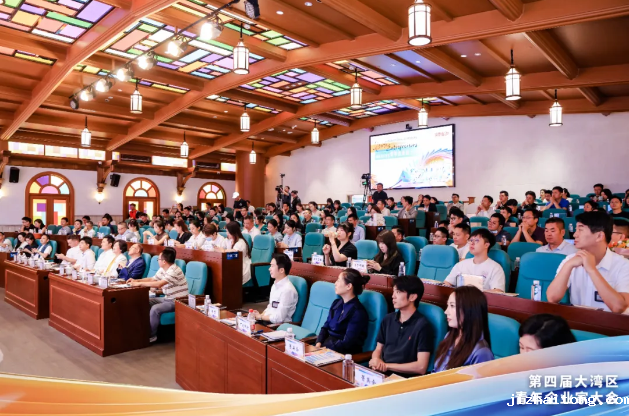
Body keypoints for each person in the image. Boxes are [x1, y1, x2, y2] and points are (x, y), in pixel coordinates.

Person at [547, 211, 629, 313]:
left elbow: (619, 308)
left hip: (608, 322)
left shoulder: (623, 265)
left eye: (580, 230)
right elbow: (552, 298)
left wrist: (592, 270)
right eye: (576, 229)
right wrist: (568, 265)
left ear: (599, 236)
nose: (575, 234)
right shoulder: (570, 260)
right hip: (577, 320)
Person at [369, 276, 433, 376]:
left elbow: (421, 367)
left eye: (398, 292)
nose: (393, 296)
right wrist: (376, 359)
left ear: (412, 297)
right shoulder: (388, 319)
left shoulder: (423, 326)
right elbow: (378, 349)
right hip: (383, 374)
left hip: (404, 379)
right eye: (393, 291)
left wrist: (386, 366)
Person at [128, 247, 188, 343]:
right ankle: (141, 329)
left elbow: (159, 284)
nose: (158, 261)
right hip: (167, 298)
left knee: (155, 309)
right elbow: (153, 279)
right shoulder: (163, 269)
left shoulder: (174, 270)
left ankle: (151, 335)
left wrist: (139, 284)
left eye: (158, 259)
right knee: (144, 301)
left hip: (177, 301)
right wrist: (136, 280)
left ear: (164, 261)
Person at [433, 286, 494, 372]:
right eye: (448, 305)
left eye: (452, 306)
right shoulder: (449, 336)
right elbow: (436, 371)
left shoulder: (481, 352)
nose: (446, 312)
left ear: (469, 310)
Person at [316, 269, 370, 354]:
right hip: (326, 348)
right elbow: (325, 327)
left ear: (348, 286)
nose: (335, 283)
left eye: (338, 280)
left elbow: (347, 342)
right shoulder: (336, 303)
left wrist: (325, 349)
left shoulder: (358, 312)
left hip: (344, 354)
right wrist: (318, 344)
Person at [250, 254, 298, 324]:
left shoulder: (288, 290)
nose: (269, 269)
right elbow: (271, 306)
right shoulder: (275, 285)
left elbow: (279, 318)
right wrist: (260, 315)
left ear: (281, 270)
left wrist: (260, 317)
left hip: (277, 326)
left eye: (272, 266)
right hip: (268, 321)